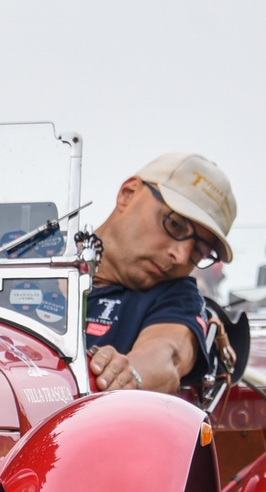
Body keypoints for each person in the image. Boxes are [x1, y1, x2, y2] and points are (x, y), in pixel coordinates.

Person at [85, 152, 237, 395]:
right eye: (175, 225)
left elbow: (169, 355)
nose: (181, 256)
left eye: (199, 251)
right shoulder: (26, 260)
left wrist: (129, 373)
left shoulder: (178, 298)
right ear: (128, 194)